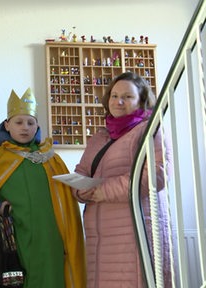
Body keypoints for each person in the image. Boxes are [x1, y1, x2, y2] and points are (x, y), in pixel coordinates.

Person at [0, 88, 86, 288]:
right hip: (15, 238)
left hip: (50, 237)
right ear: (7, 125)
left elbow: (66, 202)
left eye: (30, 123)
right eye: (18, 122)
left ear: (37, 125)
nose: (25, 127)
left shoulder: (51, 160)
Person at [72, 71, 172, 287]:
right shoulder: (99, 137)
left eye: (127, 96)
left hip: (134, 232)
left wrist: (102, 191)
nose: (118, 101)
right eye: (114, 95)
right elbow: (81, 171)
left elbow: (157, 175)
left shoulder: (149, 130)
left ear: (141, 100)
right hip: (99, 235)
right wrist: (79, 190)